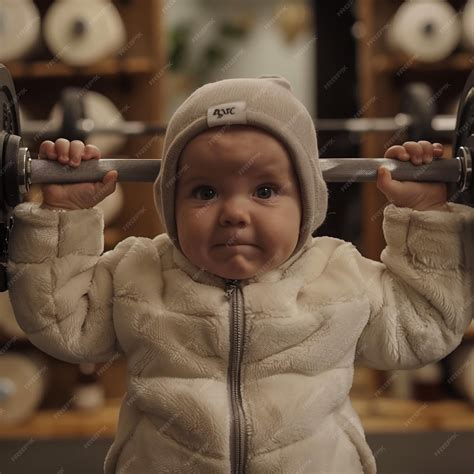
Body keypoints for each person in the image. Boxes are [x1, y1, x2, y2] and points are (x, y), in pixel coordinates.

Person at [7, 76, 474, 474]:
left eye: (265, 189)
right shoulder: (139, 271)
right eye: (205, 191)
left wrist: (426, 217)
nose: (234, 213)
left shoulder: (339, 273)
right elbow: (61, 324)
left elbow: (424, 327)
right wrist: (62, 218)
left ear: (308, 198)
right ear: (170, 203)